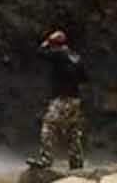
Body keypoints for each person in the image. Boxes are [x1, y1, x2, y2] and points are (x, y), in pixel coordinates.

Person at [27, 30, 88, 171]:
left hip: (61, 99)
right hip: (75, 100)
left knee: (49, 126)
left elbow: (40, 53)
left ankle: (45, 160)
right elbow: (84, 79)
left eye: (52, 44)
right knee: (73, 132)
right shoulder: (76, 56)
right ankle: (77, 164)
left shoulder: (58, 54)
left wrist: (46, 42)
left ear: (55, 45)